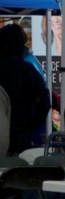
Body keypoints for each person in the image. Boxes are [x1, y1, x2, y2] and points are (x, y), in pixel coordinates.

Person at [0, 23, 50, 156]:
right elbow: (45, 101)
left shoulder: (27, 69)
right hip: (20, 133)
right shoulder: (27, 70)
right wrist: (29, 124)